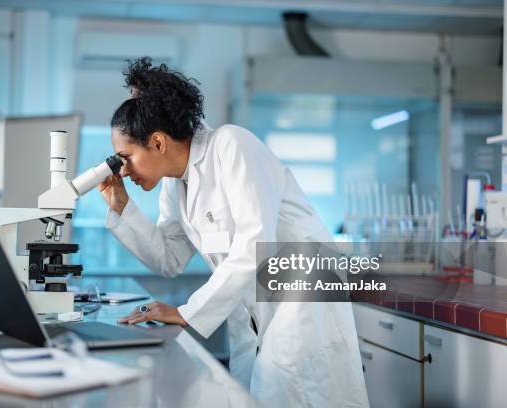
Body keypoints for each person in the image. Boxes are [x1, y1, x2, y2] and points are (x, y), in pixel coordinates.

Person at [98, 57, 369, 407]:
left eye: (126, 156)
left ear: (159, 142)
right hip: (254, 318)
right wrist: (121, 207)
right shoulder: (175, 183)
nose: (124, 170)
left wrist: (186, 311)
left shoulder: (231, 146)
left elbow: (255, 245)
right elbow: (169, 259)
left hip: (300, 309)